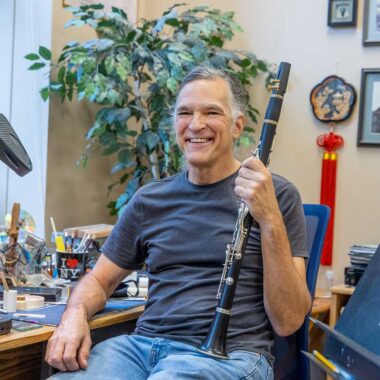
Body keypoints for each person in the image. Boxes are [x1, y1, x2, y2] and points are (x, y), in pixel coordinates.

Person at [46, 66, 311, 379]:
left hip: (230, 355)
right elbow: (100, 280)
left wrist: (268, 218)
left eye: (212, 112)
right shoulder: (149, 200)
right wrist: (74, 314)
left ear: (238, 125)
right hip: (141, 349)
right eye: (185, 112)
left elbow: (289, 321)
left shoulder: (276, 194)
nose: (196, 124)